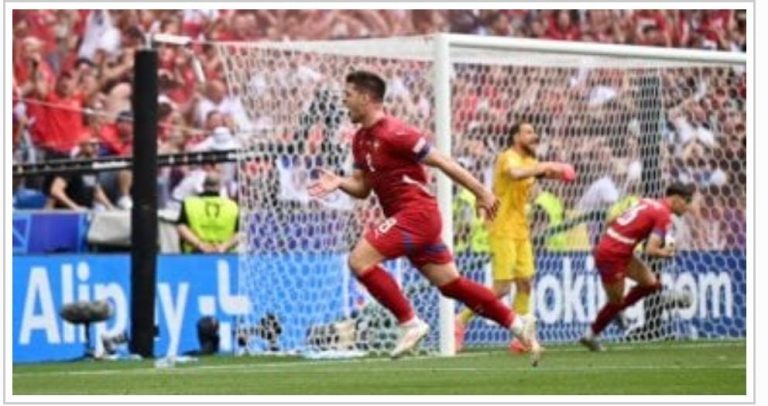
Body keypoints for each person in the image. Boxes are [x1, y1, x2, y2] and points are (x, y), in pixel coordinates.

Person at [307, 70, 541, 364]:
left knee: (359, 260)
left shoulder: (396, 132)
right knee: (451, 284)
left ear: (366, 98)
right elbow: (363, 188)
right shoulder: (360, 139)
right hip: (410, 218)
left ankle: (410, 322)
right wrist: (340, 182)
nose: (344, 101)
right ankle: (517, 324)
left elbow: (443, 161)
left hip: (417, 214)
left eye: (348, 95)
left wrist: (483, 193)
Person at [455, 121, 574, 353]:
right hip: (502, 227)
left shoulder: (530, 161)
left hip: (521, 228)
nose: (534, 135)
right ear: (515, 137)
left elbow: (539, 173)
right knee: (501, 289)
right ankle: (459, 321)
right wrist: (547, 165)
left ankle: (521, 338)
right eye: (528, 132)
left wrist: (559, 172)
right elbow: (516, 174)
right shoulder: (507, 158)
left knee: (525, 283)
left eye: (534, 132)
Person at [579, 182, 696, 351]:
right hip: (613, 255)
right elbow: (651, 250)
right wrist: (667, 253)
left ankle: (615, 310)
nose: (688, 207)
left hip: (618, 249)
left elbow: (611, 220)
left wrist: (605, 240)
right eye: (687, 201)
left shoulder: (646, 201)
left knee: (652, 284)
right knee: (616, 301)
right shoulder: (663, 215)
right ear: (676, 199)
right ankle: (590, 334)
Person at [177, 172, 240, 253]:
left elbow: (181, 228)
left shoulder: (189, 203)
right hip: (224, 255)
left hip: (194, 254)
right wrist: (224, 246)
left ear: (203, 186)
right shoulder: (233, 206)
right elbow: (239, 233)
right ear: (220, 187)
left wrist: (200, 245)